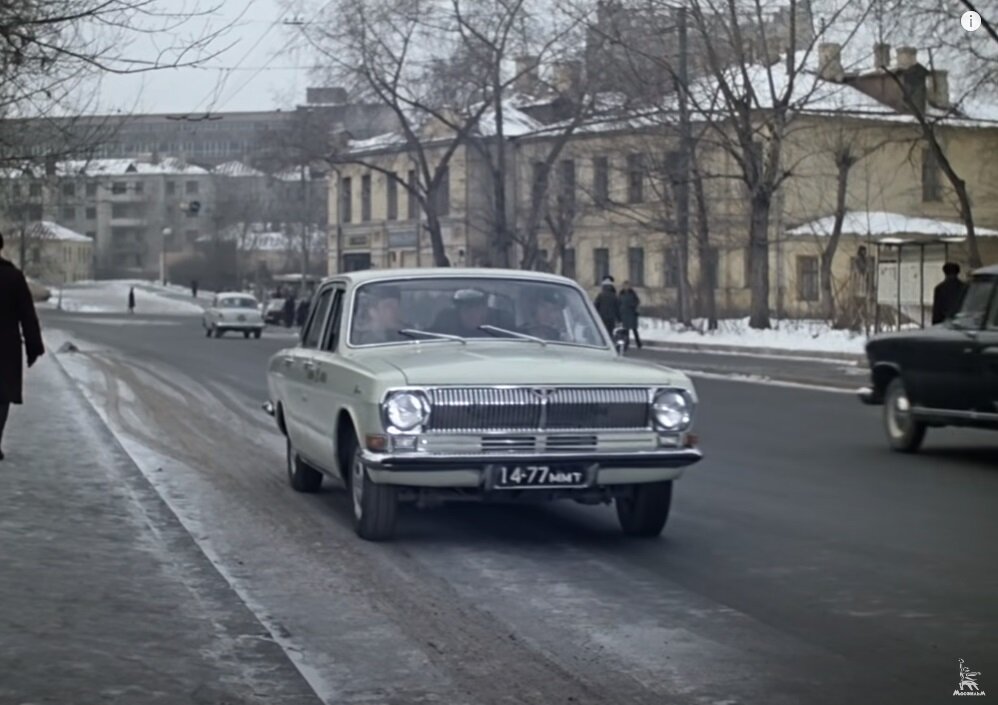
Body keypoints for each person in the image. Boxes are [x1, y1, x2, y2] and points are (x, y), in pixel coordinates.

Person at [0, 232, 45, 461]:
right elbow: (27, 313)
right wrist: (33, 345)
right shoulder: (13, 277)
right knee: (2, 396)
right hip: (6, 346)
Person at [618, 280, 642, 350]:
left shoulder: (632, 293)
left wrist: (632, 305)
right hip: (624, 314)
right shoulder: (621, 293)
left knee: (634, 330)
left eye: (627, 285)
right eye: (624, 286)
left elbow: (637, 301)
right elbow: (618, 302)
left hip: (632, 314)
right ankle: (627, 343)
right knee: (626, 330)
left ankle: (638, 343)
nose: (626, 287)